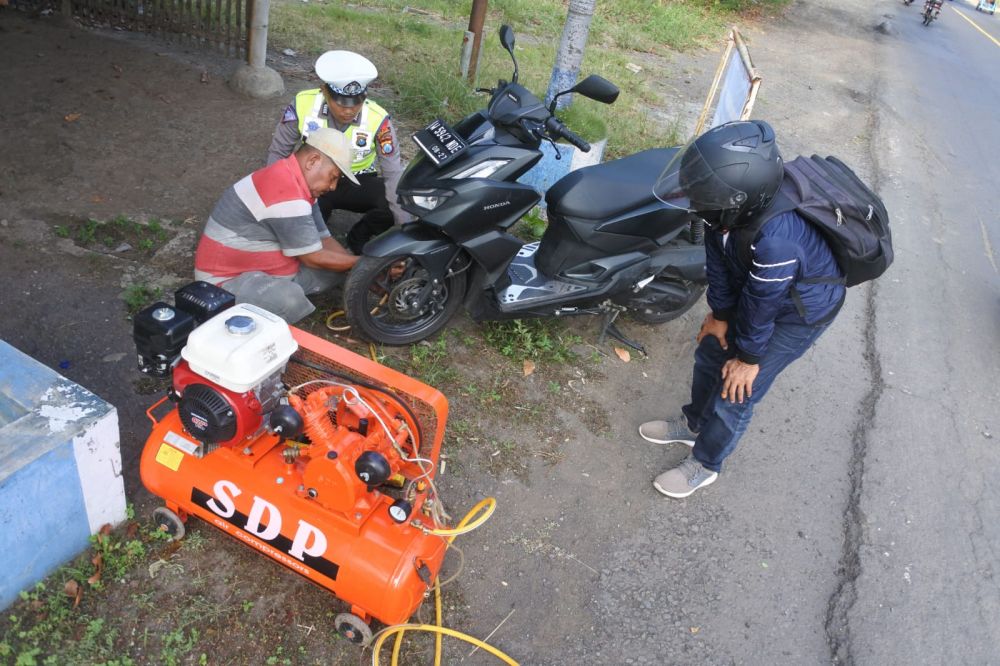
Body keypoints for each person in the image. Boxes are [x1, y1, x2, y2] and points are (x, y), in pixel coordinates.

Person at [640, 120, 846, 498]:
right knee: (710, 351)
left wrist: (748, 358)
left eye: (703, 197)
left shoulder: (778, 240)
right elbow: (717, 261)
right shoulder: (723, 210)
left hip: (799, 312)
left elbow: (762, 304)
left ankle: (706, 463)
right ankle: (694, 424)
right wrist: (719, 315)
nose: (696, 202)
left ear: (738, 198)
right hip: (759, 289)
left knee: (736, 389)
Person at [194, 128, 360, 324]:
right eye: (333, 177)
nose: (333, 187)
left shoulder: (298, 184)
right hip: (223, 284)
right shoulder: (285, 190)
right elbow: (313, 257)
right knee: (289, 300)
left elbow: (324, 239)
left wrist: (363, 270)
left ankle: (274, 296)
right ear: (313, 161)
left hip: (266, 273)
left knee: (340, 266)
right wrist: (365, 264)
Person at [265, 50, 408, 254]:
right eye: (341, 102)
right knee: (306, 230)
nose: (349, 110)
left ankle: (359, 236)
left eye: (357, 102)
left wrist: (403, 229)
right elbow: (279, 152)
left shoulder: (378, 119)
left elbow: (393, 173)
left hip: (357, 180)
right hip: (315, 180)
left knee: (396, 201)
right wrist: (273, 199)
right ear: (324, 90)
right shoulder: (303, 104)